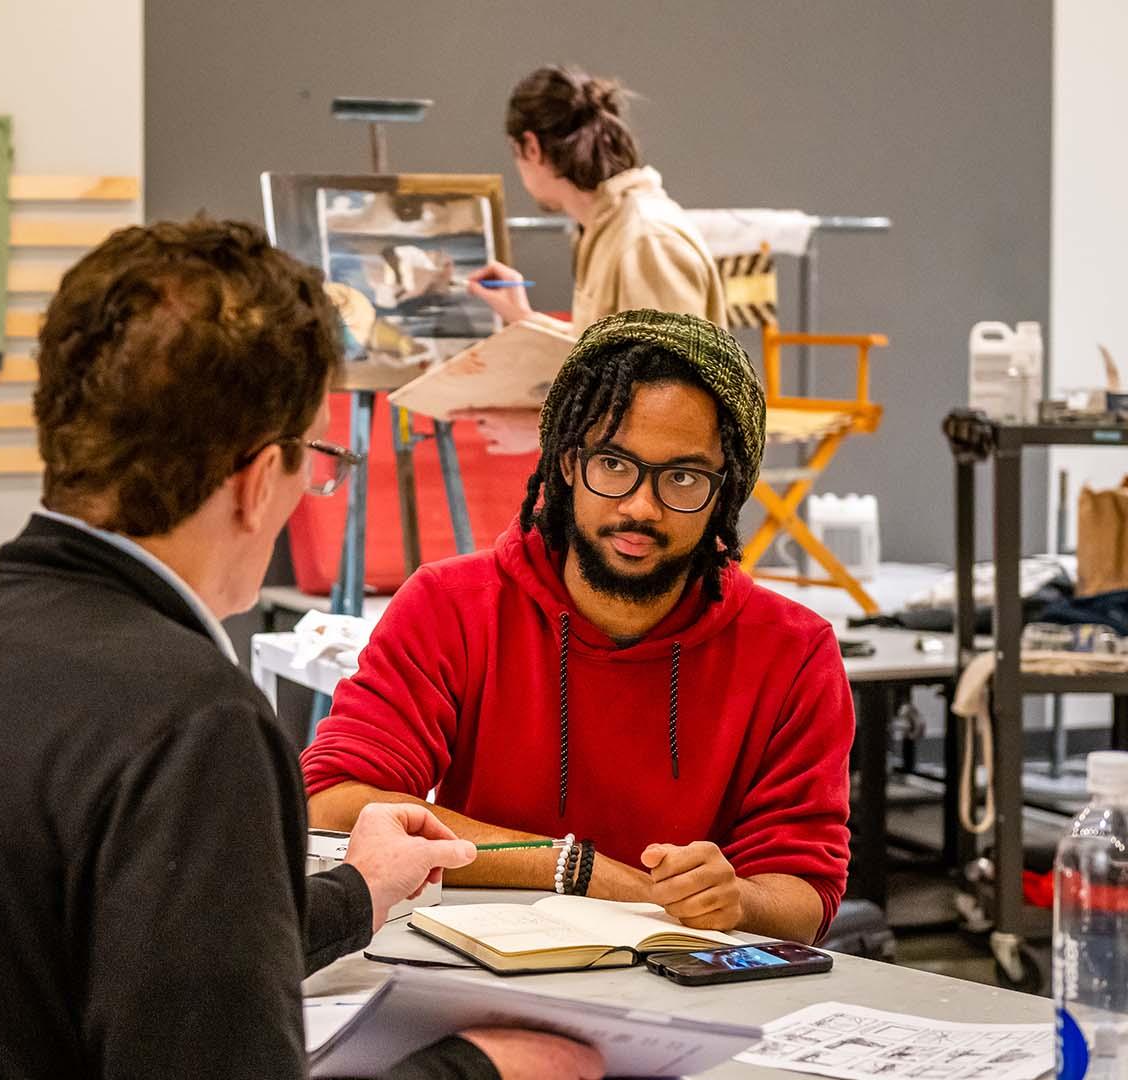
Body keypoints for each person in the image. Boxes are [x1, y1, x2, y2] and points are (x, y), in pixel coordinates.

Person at [0, 219, 601, 1080]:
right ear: (260, 481)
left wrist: (358, 894)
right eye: (318, 460)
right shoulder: (192, 722)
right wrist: (478, 1071)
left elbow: (107, 938)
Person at [303, 311, 851, 946]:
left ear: (725, 492)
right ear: (567, 462)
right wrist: (582, 871)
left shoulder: (793, 651)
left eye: (682, 478)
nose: (640, 507)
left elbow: (804, 895)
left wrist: (739, 899)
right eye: (614, 465)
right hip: (479, 977)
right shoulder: (451, 605)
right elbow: (336, 803)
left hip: (691, 992)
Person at [459, 66, 727, 454]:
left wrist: (542, 429)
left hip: (656, 495)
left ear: (531, 148)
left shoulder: (645, 239)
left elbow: (669, 401)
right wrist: (526, 319)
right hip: (627, 480)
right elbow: (615, 356)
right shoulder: (606, 230)